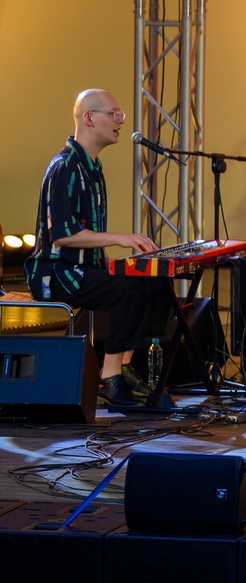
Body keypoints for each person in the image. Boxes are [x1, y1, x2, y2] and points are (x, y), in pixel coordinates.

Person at [25, 89, 169, 407]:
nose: (120, 120)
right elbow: (62, 235)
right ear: (89, 118)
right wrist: (120, 238)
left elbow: (88, 234)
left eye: (121, 115)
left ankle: (125, 364)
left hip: (83, 269)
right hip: (57, 274)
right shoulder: (64, 167)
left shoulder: (93, 169)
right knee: (127, 289)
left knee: (156, 281)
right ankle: (110, 375)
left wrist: (113, 260)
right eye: (114, 113)